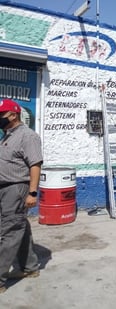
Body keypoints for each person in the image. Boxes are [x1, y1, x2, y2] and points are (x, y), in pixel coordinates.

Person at [0, 99, 43, 293]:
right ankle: (30, 267)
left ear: (13, 115)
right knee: (19, 227)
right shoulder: (7, 135)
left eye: (1, 115)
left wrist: (32, 193)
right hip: (5, 189)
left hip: (17, 188)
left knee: (9, 232)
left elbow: (35, 165)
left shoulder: (28, 136)